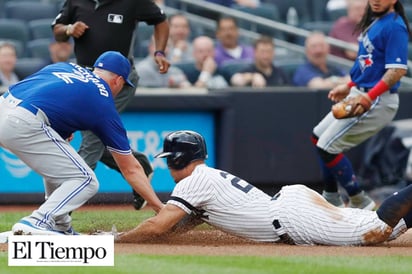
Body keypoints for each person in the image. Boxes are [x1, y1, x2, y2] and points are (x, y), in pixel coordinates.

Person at [116, 130, 412, 246]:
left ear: (180, 158)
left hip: (293, 218)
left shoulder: (194, 181)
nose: (168, 166)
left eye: (170, 160)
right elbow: (176, 226)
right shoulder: (206, 178)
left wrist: (117, 242)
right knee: (388, 230)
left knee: (376, 231)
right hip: (292, 207)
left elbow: (158, 226)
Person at [0, 51, 164, 235]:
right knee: (86, 180)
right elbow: (131, 168)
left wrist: (59, 127)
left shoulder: (65, 66)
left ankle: (60, 225)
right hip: (23, 121)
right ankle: (37, 221)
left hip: (6, 106)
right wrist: (160, 207)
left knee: (63, 164)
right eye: (124, 85)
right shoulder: (103, 102)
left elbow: (37, 91)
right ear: (118, 80)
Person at [52, 0, 170, 210]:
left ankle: (63, 205)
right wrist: (70, 29)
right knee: (96, 133)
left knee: (92, 135)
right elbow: (57, 31)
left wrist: (159, 52)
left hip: (118, 81)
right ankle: (138, 164)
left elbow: (160, 20)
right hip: (86, 79)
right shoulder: (75, 1)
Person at [311, 0, 410, 209]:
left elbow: (397, 70)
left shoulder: (395, 25)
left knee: (327, 147)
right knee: (318, 136)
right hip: (360, 92)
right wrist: (349, 85)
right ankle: (331, 196)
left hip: (378, 100)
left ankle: (359, 200)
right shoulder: (376, 22)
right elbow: (370, 65)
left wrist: (368, 96)